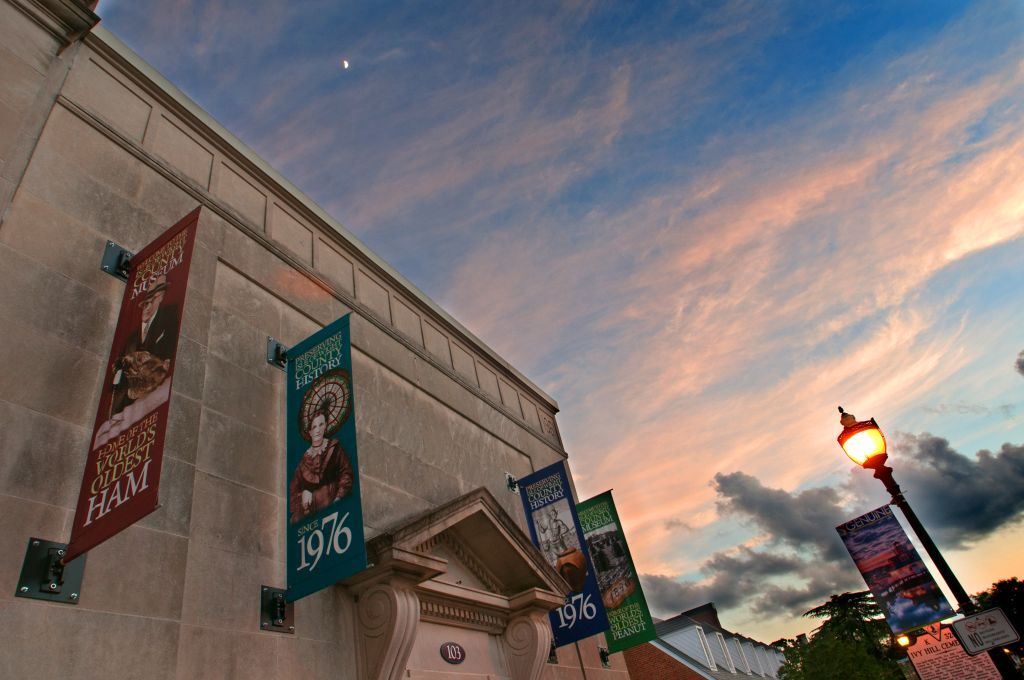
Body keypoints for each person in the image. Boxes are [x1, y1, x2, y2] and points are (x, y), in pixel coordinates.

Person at [110, 274, 179, 416]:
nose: (146, 308)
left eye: (151, 301)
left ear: (160, 297)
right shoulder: (132, 338)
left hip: (156, 400)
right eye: (144, 304)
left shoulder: (170, 317)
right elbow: (116, 369)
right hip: (128, 403)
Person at [289, 406, 354, 523]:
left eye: (321, 425)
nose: (317, 430)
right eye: (314, 427)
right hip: (312, 515)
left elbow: (346, 473)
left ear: (325, 426)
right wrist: (303, 495)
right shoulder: (303, 461)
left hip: (334, 505)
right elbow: (293, 493)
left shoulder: (335, 447)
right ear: (310, 432)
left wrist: (338, 498)